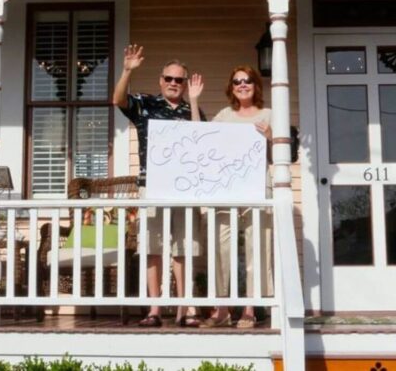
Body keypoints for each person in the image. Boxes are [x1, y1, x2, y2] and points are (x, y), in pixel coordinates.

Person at [112, 44, 205, 328]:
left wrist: (195, 101)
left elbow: (201, 140)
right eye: (169, 78)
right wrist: (127, 70)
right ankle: (154, 308)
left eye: (179, 79)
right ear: (160, 81)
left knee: (183, 248)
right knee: (153, 247)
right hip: (151, 185)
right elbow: (118, 100)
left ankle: (183, 307)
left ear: (185, 83)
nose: (174, 84)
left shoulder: (193, 109)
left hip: (185, 189)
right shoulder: (146, 104)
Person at [191, 65, 274, 329]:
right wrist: (193, 100)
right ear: (231, 86)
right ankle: (222, 309)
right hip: (226, 189)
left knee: (256, 246)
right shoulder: (225, 115)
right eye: (237, 81)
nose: (242, 85)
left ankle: (250, 308)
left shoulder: (269, 115)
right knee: (219, 246)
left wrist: (271, 137)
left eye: (247, 80)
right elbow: (201, 139)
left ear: (256, 85)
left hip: (258, 188)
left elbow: (282, 154)